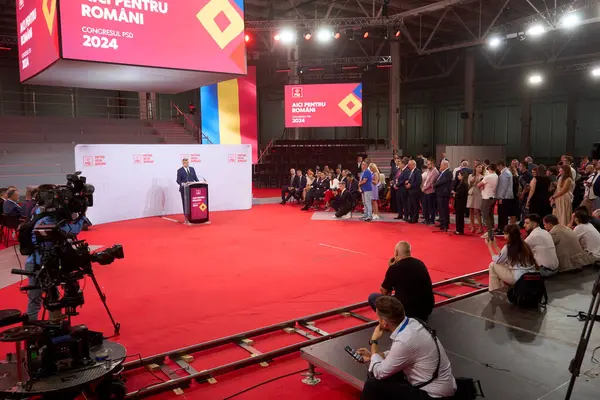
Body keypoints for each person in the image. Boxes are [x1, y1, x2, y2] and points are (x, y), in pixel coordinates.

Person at [358, 296, 457, 400]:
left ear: (384, 323)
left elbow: (379, 373)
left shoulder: (404, 340)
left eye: (378, 318)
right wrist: (376, 356)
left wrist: (374, 342)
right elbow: (399, 355)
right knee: (386, 372)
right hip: (443, 387)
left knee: (372, 385)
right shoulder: (413, 323)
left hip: (433, 395)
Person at [24, 184, 87, 321]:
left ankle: (49, 324)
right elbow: (71, 231)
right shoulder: (49, 218)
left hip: (34, 261)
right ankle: (41, 328)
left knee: (37, 300)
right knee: (41, 299)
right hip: (45, 263)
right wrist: (82, 216)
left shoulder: (37, 212)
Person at [368, 241, 434, 322]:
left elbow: (384, 291)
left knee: (373, 297)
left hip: (407, 312)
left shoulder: (394, 268)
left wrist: (390, 268)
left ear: (396, 253)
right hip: (427, 308)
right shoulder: (420, 263)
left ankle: (392, 322)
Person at [486, 224, 537, 291]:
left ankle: (494, 290)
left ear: (509, 235)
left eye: (505, 234)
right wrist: (495, 245)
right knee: (502, 264)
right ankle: (499, 288)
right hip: (530, 275)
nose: (504, 235)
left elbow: (498, 260)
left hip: (519, 278)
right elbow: (503, 256)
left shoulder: (509, 247)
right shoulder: (524, 244)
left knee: (492, 265)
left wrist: (489, 246)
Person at [478, 164, 498, 241]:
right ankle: (491, 233)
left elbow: (478, 184)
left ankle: (490, 234)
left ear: (489, 169)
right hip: (493, 197)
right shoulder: (496, 176)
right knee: (490, 215)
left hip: (486, 198)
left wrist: (481, 187)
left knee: (486, 216)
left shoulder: (488, 177)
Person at [433, 160, 452, 232]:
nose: (440, 166)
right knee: (440, 209)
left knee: (444, 209)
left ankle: (445, 224)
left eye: (441, 165)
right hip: (439, 193)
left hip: (444, 193)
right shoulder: (442, 173)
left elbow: (442, 181)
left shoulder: (448, 173)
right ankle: (442, 222)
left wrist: (435, 185)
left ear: (445, 165)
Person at [453, 170, 469, 235]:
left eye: (459, 175)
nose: (458, 176)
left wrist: (455, 194)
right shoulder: (461, 183)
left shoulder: (463, 184)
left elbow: (461, 194)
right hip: (460, 202)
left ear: (462, 176)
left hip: (460, 203)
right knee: (459, 217)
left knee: (459, 217)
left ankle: (459, 230)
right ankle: (459, 229)